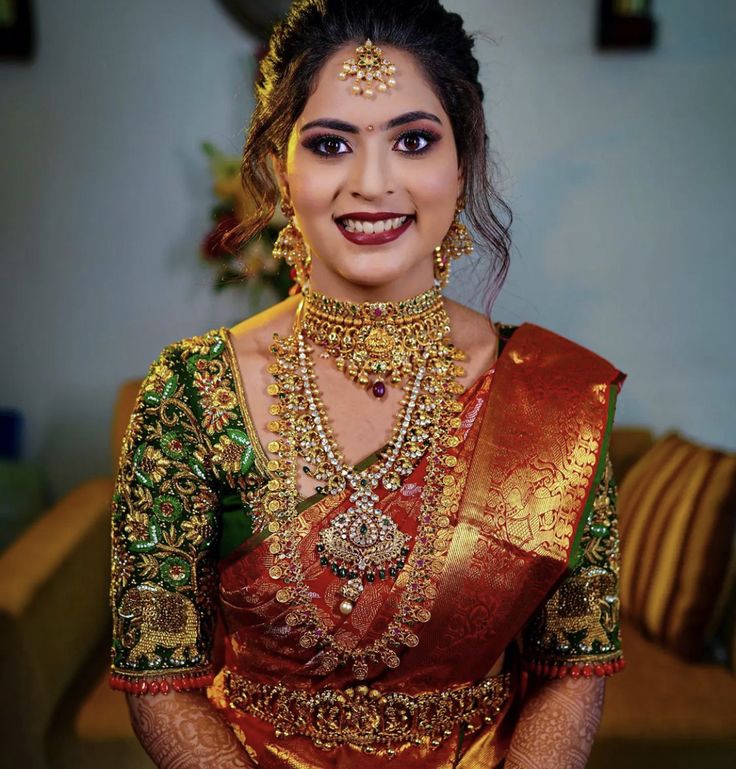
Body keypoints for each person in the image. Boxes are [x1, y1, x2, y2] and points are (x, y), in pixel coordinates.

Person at [108, 1, 626, 767]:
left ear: (462, 162)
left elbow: (573, 666)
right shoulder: (189, 392)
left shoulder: (552, 399)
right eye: (330, 144)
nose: (372, 182)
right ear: (282, 171)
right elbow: (159, 676)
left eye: (413, 140)